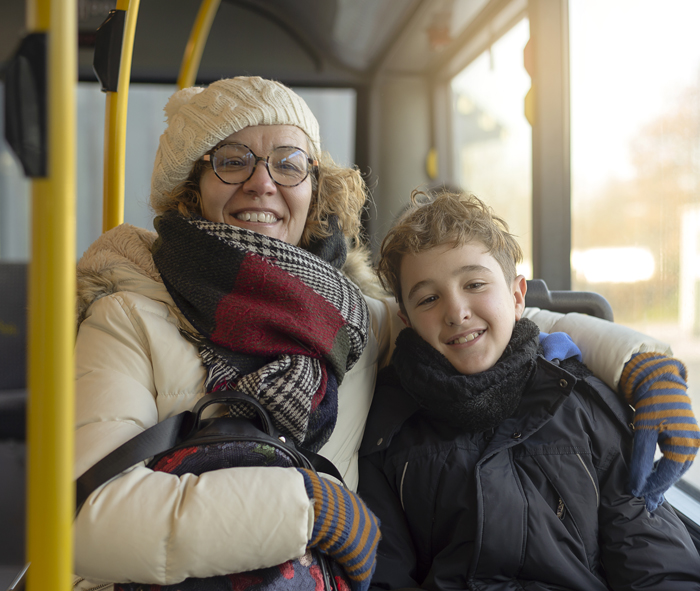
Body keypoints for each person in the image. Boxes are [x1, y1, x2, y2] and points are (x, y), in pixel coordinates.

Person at [73, 77, 694, 589]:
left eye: (289, 164)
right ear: (192, 188)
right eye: (232, 161)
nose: (262, 183)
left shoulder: (354, 315)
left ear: (313, 190)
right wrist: (306, 509)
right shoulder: (128, 315)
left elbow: (495, 326)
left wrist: (642, 363)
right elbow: (87, 525)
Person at [357, 190, 700, 591]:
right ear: (407, 321)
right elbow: (384, 572)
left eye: (475, 283)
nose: (456, 311)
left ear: (517, 296)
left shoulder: (582, 403)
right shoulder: (388, 427)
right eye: (429, 298)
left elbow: (647, 547)